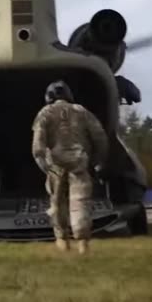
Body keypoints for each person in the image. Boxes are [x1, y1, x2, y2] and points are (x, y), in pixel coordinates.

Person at [31, 80, 109, 254]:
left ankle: (62, 240)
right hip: (79, 162)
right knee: (80, 201)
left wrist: (44, 165)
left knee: (57, 203)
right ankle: (82, 243)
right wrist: (98, 161)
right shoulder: (81, 111)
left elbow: (38, 144)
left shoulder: (45, 113)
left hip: (55, 164)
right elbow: (100, 137)